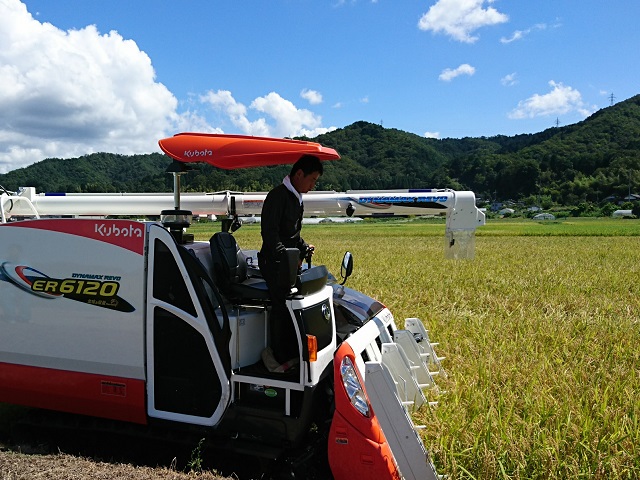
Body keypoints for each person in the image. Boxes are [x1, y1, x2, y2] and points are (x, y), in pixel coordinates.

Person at [259, 155, 323, 366]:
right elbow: (270, 235)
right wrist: (287, 257)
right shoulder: (278, 197)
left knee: (294, 306)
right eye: (312, 179)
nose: (313, 185)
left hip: (288, 263)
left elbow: (292, 235)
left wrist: (303, 247)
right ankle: (280, 357)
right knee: (282, 308)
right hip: (274, 265)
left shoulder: (296, 197)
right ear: (298, 174)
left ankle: (294, 353)